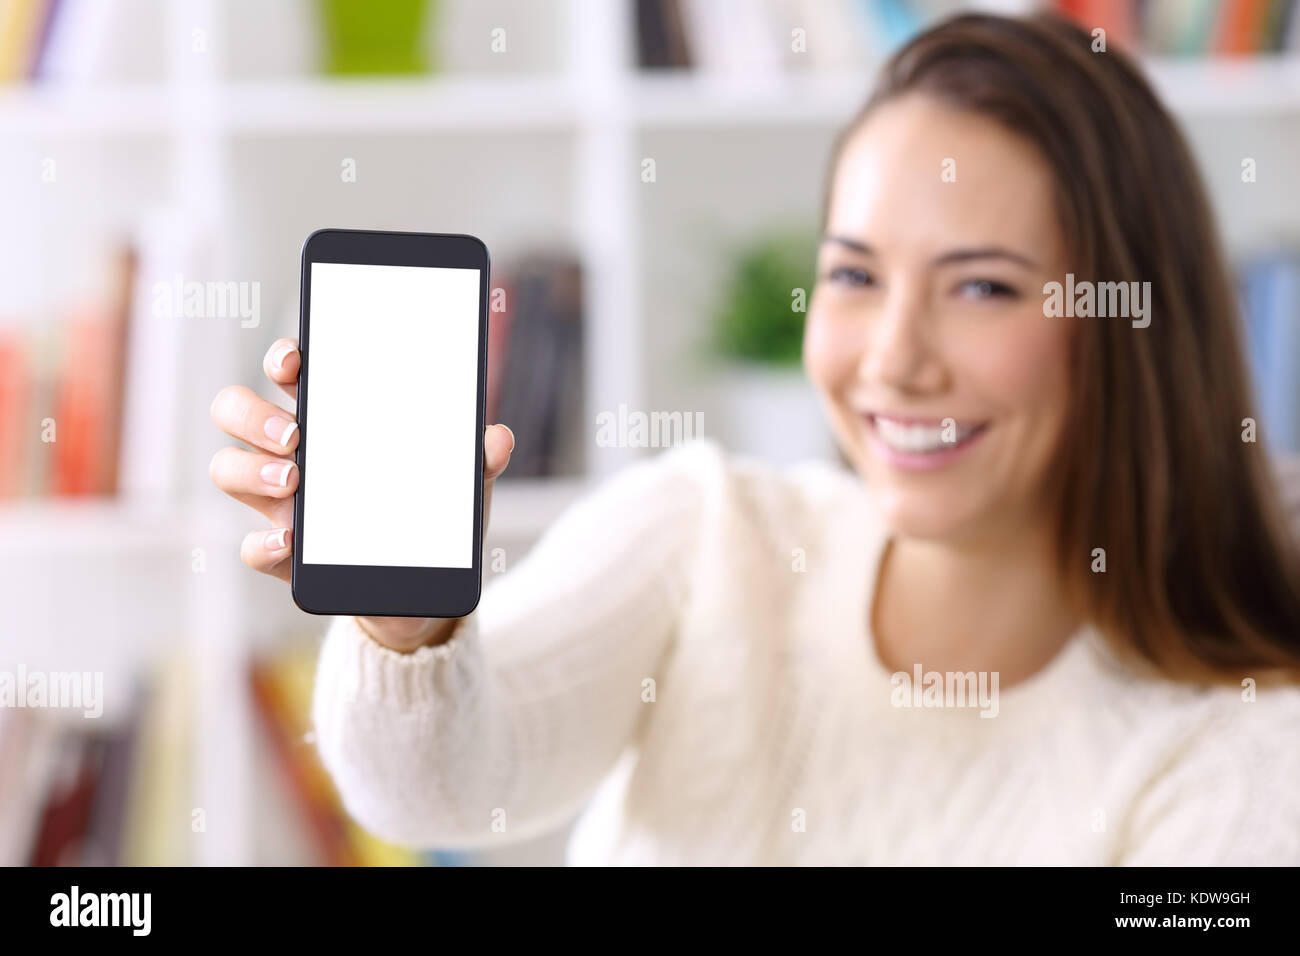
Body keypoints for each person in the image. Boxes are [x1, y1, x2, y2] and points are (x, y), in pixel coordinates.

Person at [208, 13, 1300, 865]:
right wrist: (409, 629)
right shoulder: (708, 533)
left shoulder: (1237, 746)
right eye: (855, 275)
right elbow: (445, 788)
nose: (894, 357)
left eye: (980, 285)